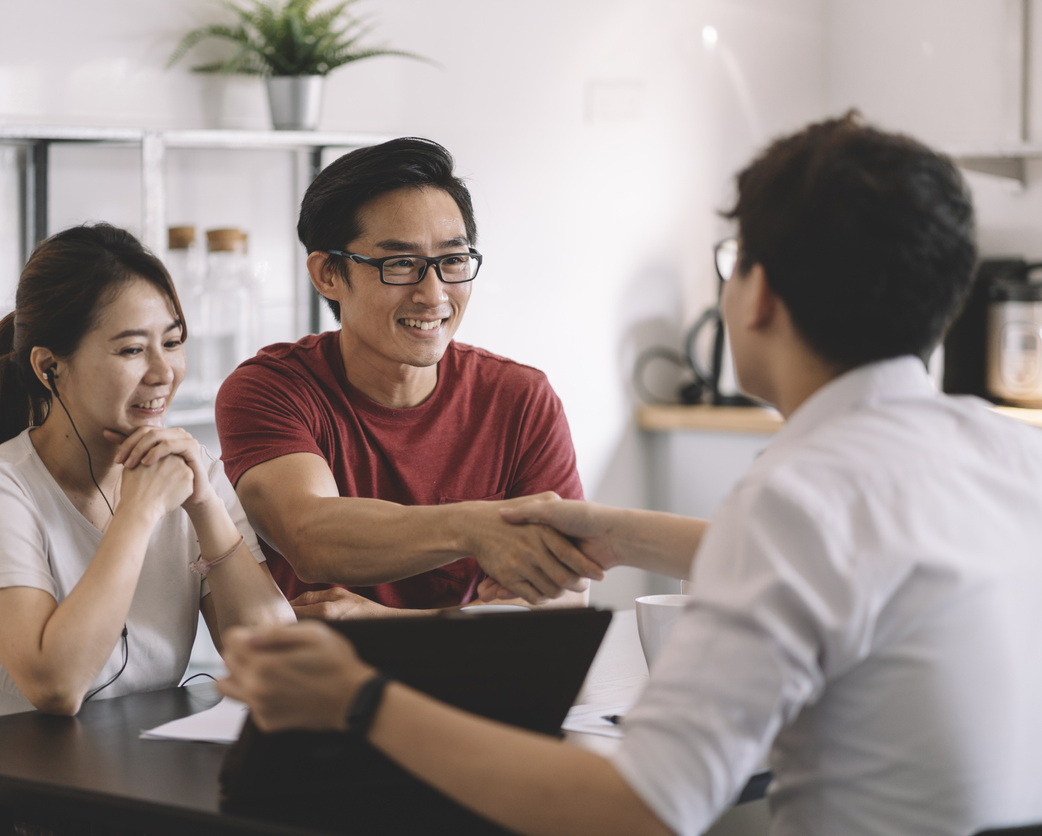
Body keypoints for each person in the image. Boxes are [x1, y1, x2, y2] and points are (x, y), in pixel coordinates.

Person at [215, 114, 1042, 836]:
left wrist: (360, 700)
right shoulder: (1011, 453)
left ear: (756, 296)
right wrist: (611, 533)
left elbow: (639, 812)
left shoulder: (801, 494)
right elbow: (843, 558)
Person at [0, 224, 294, 834]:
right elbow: (57, 684)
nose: (163, 372)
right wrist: (141, 513)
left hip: (116, 783)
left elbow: (273, 654)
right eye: (130, 350)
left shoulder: (187, 472)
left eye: (172, 343)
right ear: (50, 367)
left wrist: (205, 511)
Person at [214, 137, 603, 619]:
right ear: (329, 274)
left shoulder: (520, 398)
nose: (434, 293)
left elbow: (561, 599)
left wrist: (387, 624)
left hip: (476, 689)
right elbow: (312, 535)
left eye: (453, 260)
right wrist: (477, 526)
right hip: (319, 690)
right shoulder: (271, 390)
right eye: (400, 263)